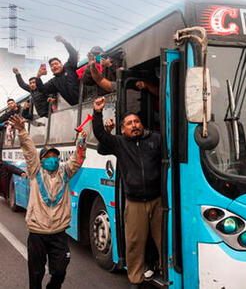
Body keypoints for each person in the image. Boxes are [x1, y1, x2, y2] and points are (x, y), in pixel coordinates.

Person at [7, 114, 86, 289]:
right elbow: (29, 151)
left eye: (55, 156)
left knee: (59, 272)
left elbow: (78, 159)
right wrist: (21, 130)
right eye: (48, 156)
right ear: (42, 160)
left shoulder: (65, 173)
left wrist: (81, 142)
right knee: (36, 274)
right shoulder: (36, 172)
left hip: (59, 234)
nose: (53, 159)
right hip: (37, 233)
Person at [92, 96, 163, 288]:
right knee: (134, 243)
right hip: (135, 203)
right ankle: (136, 279)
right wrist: (97, 113)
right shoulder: (119, 143)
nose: (134, 125)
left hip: (158, 201)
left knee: (163, 240)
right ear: (123, 129)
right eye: (130, 123)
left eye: (137, 122)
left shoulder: (156, 139)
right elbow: (100, 135)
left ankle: (167, 272)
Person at [35, 36, 80, 106]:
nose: (54, 66)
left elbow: (73, 54)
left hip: (87, 101)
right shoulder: (53, 82)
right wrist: (38, 76)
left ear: (61, 64)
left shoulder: (69, 67)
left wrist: (64, 41)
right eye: (52, 66)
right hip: (75, 107)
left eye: (56, 64)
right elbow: (42, 89)